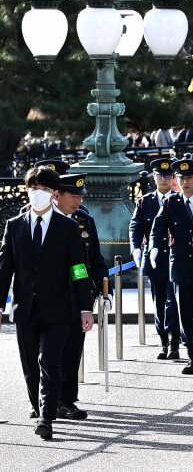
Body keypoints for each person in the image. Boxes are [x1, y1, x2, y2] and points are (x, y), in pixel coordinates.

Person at [0, 167, 94, 440]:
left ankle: (46, 417)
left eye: (44, 189)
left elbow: (78, 268)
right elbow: (5, 268)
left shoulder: (68, 227)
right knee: (30, 366)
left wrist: (85, 307)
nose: (38, 193)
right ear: (27, 190)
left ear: (54, 194)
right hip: (24, 308)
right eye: (34, 188)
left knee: (50, 363)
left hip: (59, 308)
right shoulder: (15, 225)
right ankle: (38, 406)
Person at [151, 158, 193, 374]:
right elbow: (158, 228)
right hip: (179, 266)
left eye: (189, 178)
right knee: (184, 312)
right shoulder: (171, 203)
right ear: (176, 180)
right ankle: (190, 354)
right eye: (181, 178)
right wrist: (154, 247)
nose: (185, 182)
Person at [52, 173, 107, 420]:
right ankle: (43, 400)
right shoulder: (42, 220)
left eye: (80, 196)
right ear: (57, 195)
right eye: (73, 196)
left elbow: (94, 259)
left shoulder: (84, 220)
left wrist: (104, 288)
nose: (78, 201)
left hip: (77, 295)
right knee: (47, 352)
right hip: (48, 296)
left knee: (72, 350)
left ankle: (65, 400)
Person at [130, 159, 181, 360]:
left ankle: (175, 341)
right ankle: (163, 341)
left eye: (168, 175)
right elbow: (135, 227)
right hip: (154, 259)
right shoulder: (145, 201)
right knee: (158, 301)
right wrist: (136, 249)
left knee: (173, 302)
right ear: (154, 176)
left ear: (173, 178)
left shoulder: (179, 200)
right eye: (160, 175)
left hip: (176, 258)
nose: (164, 179)